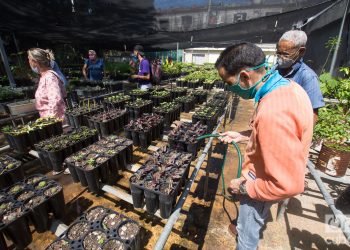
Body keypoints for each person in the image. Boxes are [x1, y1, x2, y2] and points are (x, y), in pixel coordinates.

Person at [216, 42, 314, 249]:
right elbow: (283, 134)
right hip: (268, 171)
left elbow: (288, 185)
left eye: (228, 82)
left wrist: (242, 186)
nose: (229, 88)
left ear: (244, 76)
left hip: (260, 183)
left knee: (246, 235)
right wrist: (243, 135)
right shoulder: (290, 88)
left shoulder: (273, 111)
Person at [276, 30, 325, 123]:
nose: (281, 57)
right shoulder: (275, 69)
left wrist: (303, 137)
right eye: (279, 53)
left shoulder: (308, 77)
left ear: (301, 51)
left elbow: (312, 114)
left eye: (285, 54)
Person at [28, 48, 66, 121]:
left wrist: (50, 121)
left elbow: (55, 100)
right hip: (50, 120)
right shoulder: (44, 76)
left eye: (29, 59)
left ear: (35, 62)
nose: (28, 62)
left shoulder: (49, 77)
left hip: (55, 122)